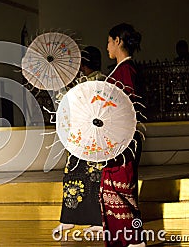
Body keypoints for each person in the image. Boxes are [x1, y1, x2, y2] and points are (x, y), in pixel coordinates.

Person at [52, 46, 106, 240]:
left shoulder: (92, 83)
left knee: (88, 177)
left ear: (83, 64)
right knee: (87, 177)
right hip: (88, 137)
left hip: (87, 137)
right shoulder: (103, 81)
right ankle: (82, 217)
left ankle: (89, 218)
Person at [101, 23, 146, 247]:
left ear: (118, 41)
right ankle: (129, 240)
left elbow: (127, 108)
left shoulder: (125, 70)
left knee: (122, 192)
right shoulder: (121, 70)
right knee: (116, 191)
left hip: (122, 142)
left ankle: (133, 240)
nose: (107, 46)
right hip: (117, 142)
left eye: (109, 41)